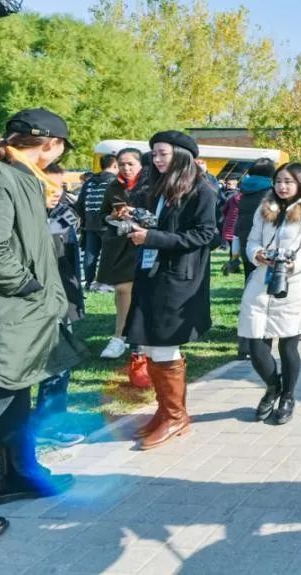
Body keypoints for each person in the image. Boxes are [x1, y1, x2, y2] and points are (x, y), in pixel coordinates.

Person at [0, 109, 80, 544]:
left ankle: (17, 474)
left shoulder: (19, 176)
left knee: (16, 391)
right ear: (51, 144)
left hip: (18, 316)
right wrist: (30, 287)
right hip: (1, 316)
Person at [122, 131, 219, 450]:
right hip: (152, 273)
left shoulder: (201, 189)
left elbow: (205, 235)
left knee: (164, 345)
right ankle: (165, 412)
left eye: (163, 153)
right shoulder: (159, 187)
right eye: (154, 153)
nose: (157, 159)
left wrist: (152, 239)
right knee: (149, 345)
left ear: (181, 155)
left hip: (179, 279)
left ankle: (176, 418)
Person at [238, 163, 301, 425]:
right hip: (262, 280)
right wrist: (257, 254)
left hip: (296, 284)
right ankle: (273, 386)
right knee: (255, 343)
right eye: (279, 181)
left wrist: (297, 263)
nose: (282, 186)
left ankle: (287, 397)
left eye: (288, 182)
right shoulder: (264, 209)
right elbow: (252, 241)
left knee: (288, 344)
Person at [34, 164, 87, 449]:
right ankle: (3, 447)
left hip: (61, 298)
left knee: (59, 366)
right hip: (31, 302)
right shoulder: (19, 217)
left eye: (60, 187)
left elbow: (69, 260)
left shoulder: (63, 215)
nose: (56, 194)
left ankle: (49, 425)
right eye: (48, 187)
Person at [97, 148, 145, 359]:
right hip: (118, 243)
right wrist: (114, 215)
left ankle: (129, 337)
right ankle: (120, 337)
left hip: (144, 242)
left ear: (141, 164)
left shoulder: (151, 185)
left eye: (130, 164)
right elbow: (102, 215)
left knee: (132, 291)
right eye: (121, 164)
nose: (125, 168)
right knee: (122, 290)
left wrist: (136, 214)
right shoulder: (113, 186)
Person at [75, 152, 117, 291]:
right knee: (109, 254)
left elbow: (79, 204)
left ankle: (88, 282)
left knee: (90, 255)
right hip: (109, 224)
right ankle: (107, 283)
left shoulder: (89, 181)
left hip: (90, 225)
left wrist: (85, 220)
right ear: (115, 165)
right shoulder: (114, 181)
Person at [236, 159, 276, 282]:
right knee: (263, 272)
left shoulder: (244, 188)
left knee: (249, 271)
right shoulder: (270, 191)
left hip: (244, 233)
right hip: (262, 236)